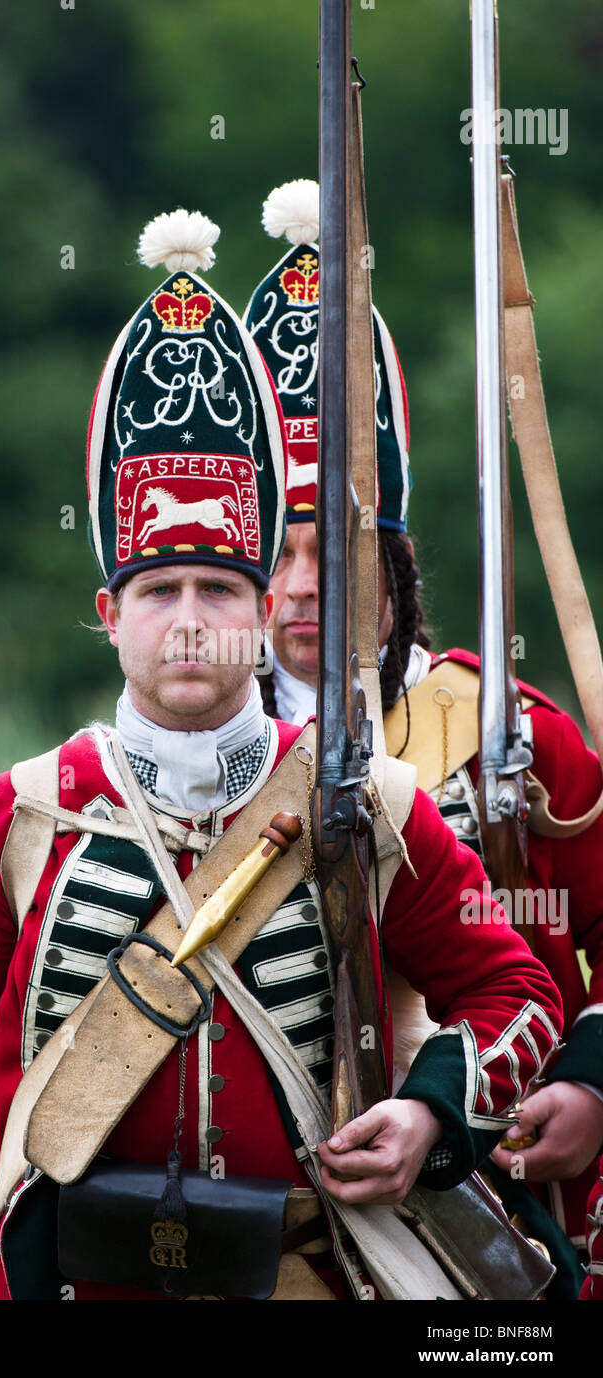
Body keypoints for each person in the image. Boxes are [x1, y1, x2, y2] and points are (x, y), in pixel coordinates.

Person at [0, 208, 561, 1302]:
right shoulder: (18, 817)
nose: (189, 621)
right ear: (110, 611)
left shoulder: (370, 802)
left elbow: (516, 988)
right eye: (158, 591)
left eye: (218, 590)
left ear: (261, 607)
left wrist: (431, 1110)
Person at [245, 179, 603, 1298]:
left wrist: (592, 1087)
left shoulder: (512, 731)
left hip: (501, 1213)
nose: (306, 587)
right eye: (277, 555)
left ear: (395, 564)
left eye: (337, 548)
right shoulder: (193, 773)